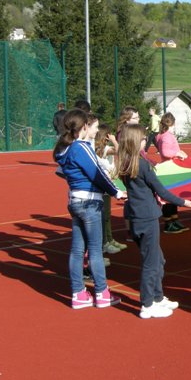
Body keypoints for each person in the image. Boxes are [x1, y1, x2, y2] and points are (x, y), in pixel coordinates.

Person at [116, 123, 191, 318]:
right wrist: (183, 201)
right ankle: (147, 304)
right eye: (144, 138)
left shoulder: (126, 163)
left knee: (158, 259)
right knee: (151, 263)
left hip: (137, 216)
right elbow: (160, 190)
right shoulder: (142, 165)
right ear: (137, 141)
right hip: (147, 217)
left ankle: (158, 297)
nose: (146, 141)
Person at [54, 108, 124, 310]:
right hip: (90, 202)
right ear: (84, 126)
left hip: (75, 200)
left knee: (77, 250)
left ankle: (78, 293)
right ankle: (102, 292)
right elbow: (97, 174)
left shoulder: (64, 149)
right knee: (94, 250)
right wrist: (116, 192)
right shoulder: (81, 147)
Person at [153, 112, 189, 234]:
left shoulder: (162, 135)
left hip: (170, 168)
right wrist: (177, 153)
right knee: (169, 197)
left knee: (173, 196)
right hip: (169, 168)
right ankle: (169, 223)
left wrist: (180, 152)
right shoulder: (167, 136)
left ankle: (174, 219)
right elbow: (166, 152)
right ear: (172, 124)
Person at [94, 123, 126, 254]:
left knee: (106, 215)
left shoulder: (102, 148)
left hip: (107, 184)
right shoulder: (103, 149)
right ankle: (104, 242)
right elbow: (119, 150)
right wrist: (114, 140)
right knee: (105, 215)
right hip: (103, 186)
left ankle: (109, 238)